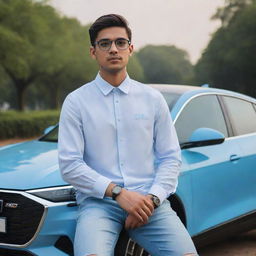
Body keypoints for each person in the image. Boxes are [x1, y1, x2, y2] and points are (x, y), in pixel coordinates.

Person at [58, 14, 198, 256]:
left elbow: (170, 158)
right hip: (98, 205)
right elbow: (70, 165)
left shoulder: (152, 99)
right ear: (93, 52)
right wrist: (118, 193)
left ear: (130, 49)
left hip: (150, 205)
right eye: (105, 43)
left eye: (120, 42)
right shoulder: (76, 101)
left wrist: (151, 200)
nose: (114, 49)